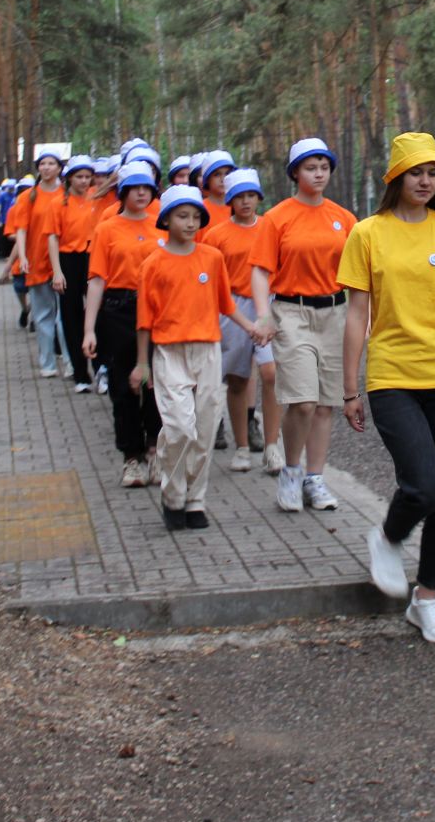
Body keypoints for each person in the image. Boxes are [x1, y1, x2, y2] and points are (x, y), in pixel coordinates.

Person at [338, 131, 435, 645]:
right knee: (425, 485)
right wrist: (349, 389)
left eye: (433, 173)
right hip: (392, 377)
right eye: (416, 172)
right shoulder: (367, 234)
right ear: (396, 178)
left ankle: (427, 599)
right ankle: (387, 536)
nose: (426, 180)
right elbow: (356, 316)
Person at [134, 186, 267, 529]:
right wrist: (142, 362)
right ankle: (172, 493)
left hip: (208, 349)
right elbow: (144, 320)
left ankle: (194, 500)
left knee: (205, 427)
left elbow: (226, 302)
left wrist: (250, 326)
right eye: (182, 216)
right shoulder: (153, 263)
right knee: (179, 426)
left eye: (196, 217)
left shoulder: (212, 258)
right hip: (169, 352)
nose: (191, 223)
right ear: (166, 219)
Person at [252, 137, 356, 514]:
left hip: (335, 313)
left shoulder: (344, 219)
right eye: (310, 167)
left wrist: (367, 316)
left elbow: (359, 276)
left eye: (324, 167)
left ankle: (316, 477)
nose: (318, 174)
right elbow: (261, 271)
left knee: (327, 404)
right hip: (291, 312)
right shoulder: (277, 217)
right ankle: (291, 472)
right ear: (295, 172)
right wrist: (264, 314)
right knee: (303, 401)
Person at [83, 161, 165, 482]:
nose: (142, 193)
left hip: (158, 311)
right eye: (135, 188)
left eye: (147, 188)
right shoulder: (107, 228)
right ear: (122, 193)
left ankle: (154, 449)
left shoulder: (162, 224)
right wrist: (89, 329)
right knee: (123, 386)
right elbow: (96, 280)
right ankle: (130, 457)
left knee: (157, 384)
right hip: (118, 311)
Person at [202, 168, 278, 472]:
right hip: (232, 309)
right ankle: (243, 446)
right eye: (239, 197)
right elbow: (210, 278)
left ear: (258, 197)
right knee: (237, 379)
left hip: (268, 304)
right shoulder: (216, 235)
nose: (246, 202)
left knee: (272, 374)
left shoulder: (270, 227)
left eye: (251, 196)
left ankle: (273, 446)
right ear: (230, 200)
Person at [15, 152, 67, 374]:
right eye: (42, 164)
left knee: (65, 317)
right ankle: (47, 363)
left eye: (51, 163)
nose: (46, 168)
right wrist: (23, 257)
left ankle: (70, 362)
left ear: (59, 168)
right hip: (37, 262)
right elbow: (21, 229)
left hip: (62, 263)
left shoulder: (66, 194)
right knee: (43, 315)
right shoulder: (28, 196)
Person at [54, 155, 100, 392]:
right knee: (71, 317)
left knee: (98, 311)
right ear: (69, 178)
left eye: (87, 177)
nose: (84, 181)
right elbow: (53, 237)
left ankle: (101, 367)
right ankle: (81, 374)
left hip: (92, 256)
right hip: (68, 259)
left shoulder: (96, 198)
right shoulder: (60, 203)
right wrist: (57, 271)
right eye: (79, 177)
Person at [8, 173, 35, 326]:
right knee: (19, 288)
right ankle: (25, 309)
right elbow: (11, 233)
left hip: (37, 258)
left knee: (36, 291)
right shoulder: (14, 210)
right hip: (21, 255)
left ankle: (34, 317)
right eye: (23, 189)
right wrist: (21, 235)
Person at [196, 150, 236, 228]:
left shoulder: (240, 207)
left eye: (227, 173)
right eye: (217, 174)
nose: (223, 179)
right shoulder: (199, 210)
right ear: (207, 179)